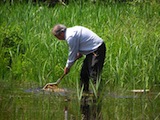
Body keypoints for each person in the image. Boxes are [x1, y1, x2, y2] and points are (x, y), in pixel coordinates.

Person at [52, 24, 106, 92]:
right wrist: (79, 54)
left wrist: (67, 67)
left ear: (61, 33)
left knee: (94, 73)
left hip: (97, 48)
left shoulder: (70, 36)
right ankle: (84, 93)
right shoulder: (72, 31)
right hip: (91, 52)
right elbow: (81, 44)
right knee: (84, 74)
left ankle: (99, 93)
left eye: (57, 36)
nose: (58, 39)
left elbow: (72, 53)